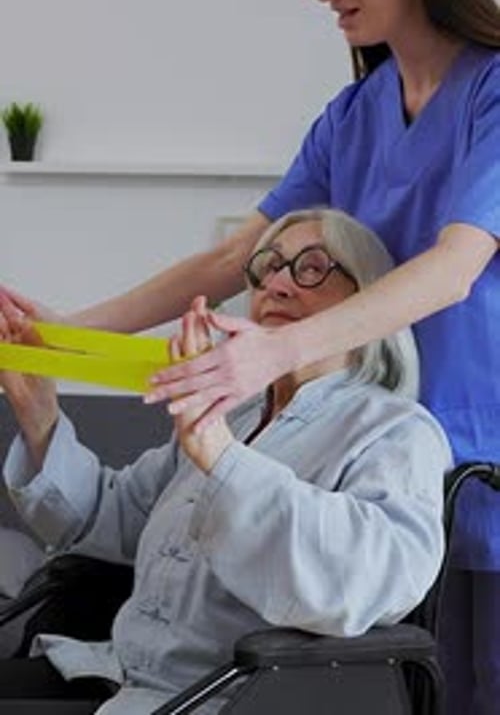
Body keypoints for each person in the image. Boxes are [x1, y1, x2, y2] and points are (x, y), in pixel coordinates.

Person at [2, 0, 499, 714]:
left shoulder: (493, 94)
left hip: (461, 449)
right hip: (344, 434)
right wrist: (66, 336)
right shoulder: (353, 115)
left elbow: (456, 268)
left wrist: (269, 351)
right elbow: (231, 261)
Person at [0, 209, 451, 715]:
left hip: (235, 698)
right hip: (122, 678)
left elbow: (363, 582)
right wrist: (39, 415)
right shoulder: (233, 416)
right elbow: (110, 520)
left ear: (369, 301)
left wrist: (220, 456)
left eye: (312, 267)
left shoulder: (395, 432)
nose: (277, 283)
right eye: (269, 265)